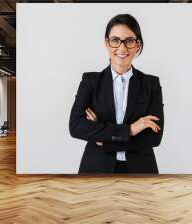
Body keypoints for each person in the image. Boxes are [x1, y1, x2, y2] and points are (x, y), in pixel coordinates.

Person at [69, 14, 164, 174]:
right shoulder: (90, 81)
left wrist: (102, 139)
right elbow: (76, 126)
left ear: (137, 45)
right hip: (96, 168)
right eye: (115, 40)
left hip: (141, 170)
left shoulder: (151, 84)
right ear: (107, 43)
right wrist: (131, 130)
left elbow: (154, 137)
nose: (122, 48)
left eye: (129, 41)